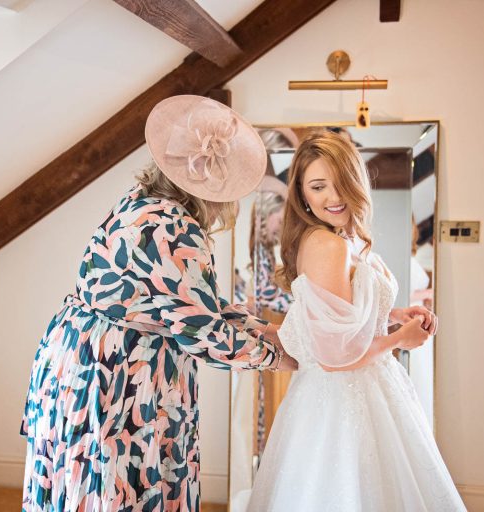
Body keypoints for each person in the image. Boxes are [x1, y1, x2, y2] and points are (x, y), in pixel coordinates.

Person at [21, 95, 296, 512]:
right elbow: (202, 332)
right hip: (117, 373)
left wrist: (260, 328)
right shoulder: (178, 229)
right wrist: (278, 357)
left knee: (88, 485)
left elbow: (184, 303)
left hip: (79, 355)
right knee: (119, 486)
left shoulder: (141, 201)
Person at [248, 131, 466, 511]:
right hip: (340, 400)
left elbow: (343, 313)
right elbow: (335, 356)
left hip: (362, 389)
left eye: (341, 183)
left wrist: (394, 315)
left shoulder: (343, 238)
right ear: (302, 195)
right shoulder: (327, 245)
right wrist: (399, 339)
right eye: (318, 187)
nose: (333, 197)